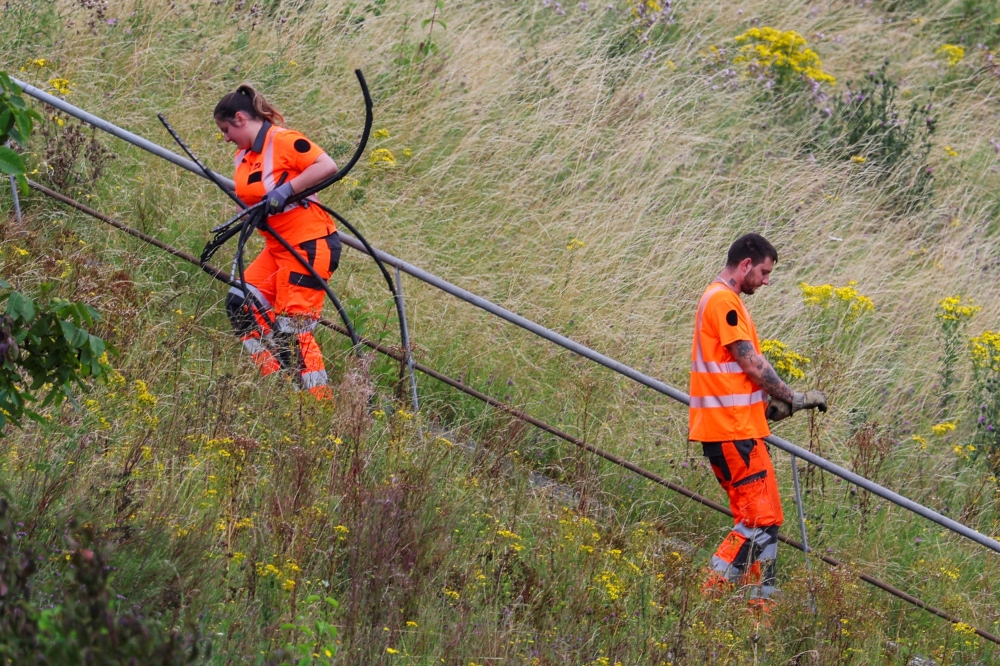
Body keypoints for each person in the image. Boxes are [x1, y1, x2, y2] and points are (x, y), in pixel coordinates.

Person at [689, 232, 827, 606]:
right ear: (746, 264)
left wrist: (768, 410)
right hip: (731, 432)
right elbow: (750, 362)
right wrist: (792, 397)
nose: (766, 280)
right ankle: (708, 598)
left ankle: (759, 605)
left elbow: (730, 379)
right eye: (764, 272)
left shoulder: (724, 301)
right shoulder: (723, 301)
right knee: (757, 521)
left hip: (737, 429)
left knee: (767, 518)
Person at [214, 85, 341, 401]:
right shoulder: (243, 156)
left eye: (226, 129)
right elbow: (249, 197)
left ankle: (317, 405)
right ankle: (278, 385)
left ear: (240, 118)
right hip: (277, 248)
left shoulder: (283, 141)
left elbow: (327, 166)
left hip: (309, 246)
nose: (226, 137)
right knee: (239, 306)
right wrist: (245, 216)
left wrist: (285, 192)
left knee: (292, 332)